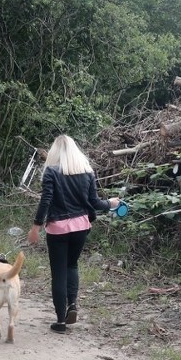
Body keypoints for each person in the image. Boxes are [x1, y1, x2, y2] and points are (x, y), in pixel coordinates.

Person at [27, 135, 119, 333]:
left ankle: (60, 321)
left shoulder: (51, 171)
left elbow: (46, 200)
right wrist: (111, 204)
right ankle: (73, 305)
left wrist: (35, 227)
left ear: (55, 152)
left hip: (58, 228)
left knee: (58, 272)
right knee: (72, 265)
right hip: (81, 226)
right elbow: (94, 203)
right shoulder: (87, 172)